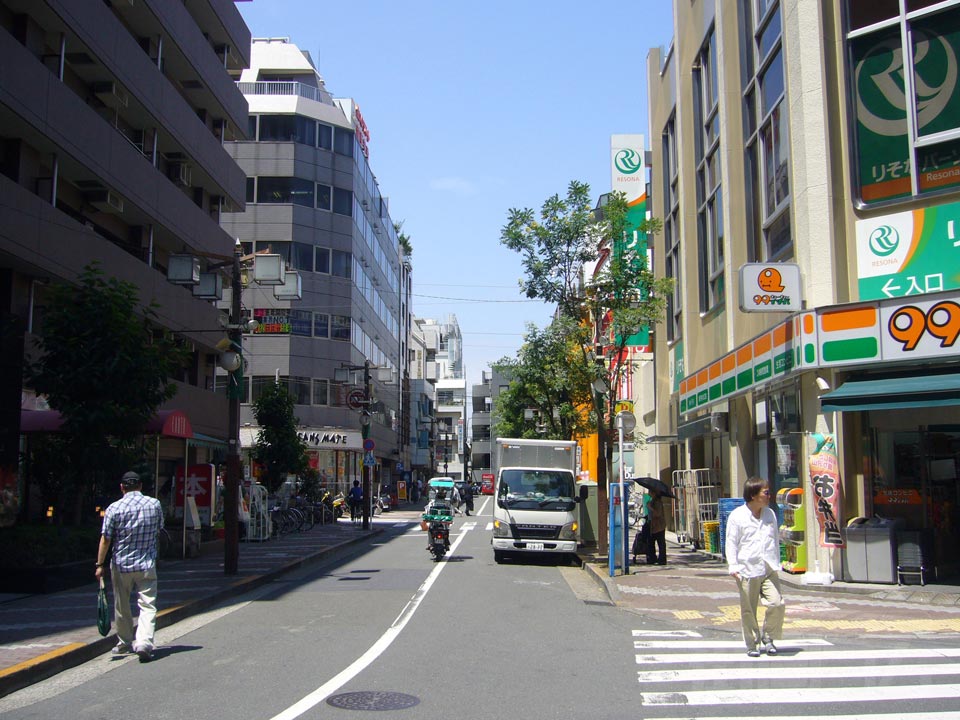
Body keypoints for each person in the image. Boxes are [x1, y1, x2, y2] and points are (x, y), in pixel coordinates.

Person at [95, 471, 164, 662]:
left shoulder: (114, 508)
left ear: (122, 487)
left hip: (121, 564)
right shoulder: (154, 504)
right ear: (141, 486)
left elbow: (106, 538)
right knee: (148, 605)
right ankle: (144, 642)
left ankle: (124, 642)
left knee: (121, 605)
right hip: (146, 563)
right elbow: (159, 529)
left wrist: (99, 564)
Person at [725, 476, 785, 658]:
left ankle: (769, 637)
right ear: (753, 495)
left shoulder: (770, 514)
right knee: (749, 609)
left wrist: (777, 562)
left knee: (777, 603)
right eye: (765, 492)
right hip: (747, 569)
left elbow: (774, 539)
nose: (769, 496)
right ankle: (752, 643)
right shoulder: (737, 516)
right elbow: (731, 542)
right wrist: (733, 566)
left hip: (768, 567)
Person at [644, 489, 667, 565]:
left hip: (659, 526)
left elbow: (658, 514)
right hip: (653, 526)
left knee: (661, 543)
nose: (648, 492)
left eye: (650, 491)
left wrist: (650, 507)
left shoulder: (658, 503)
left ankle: (662, 559)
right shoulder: (652, 501)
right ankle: (652, 558)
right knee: (650, 542)